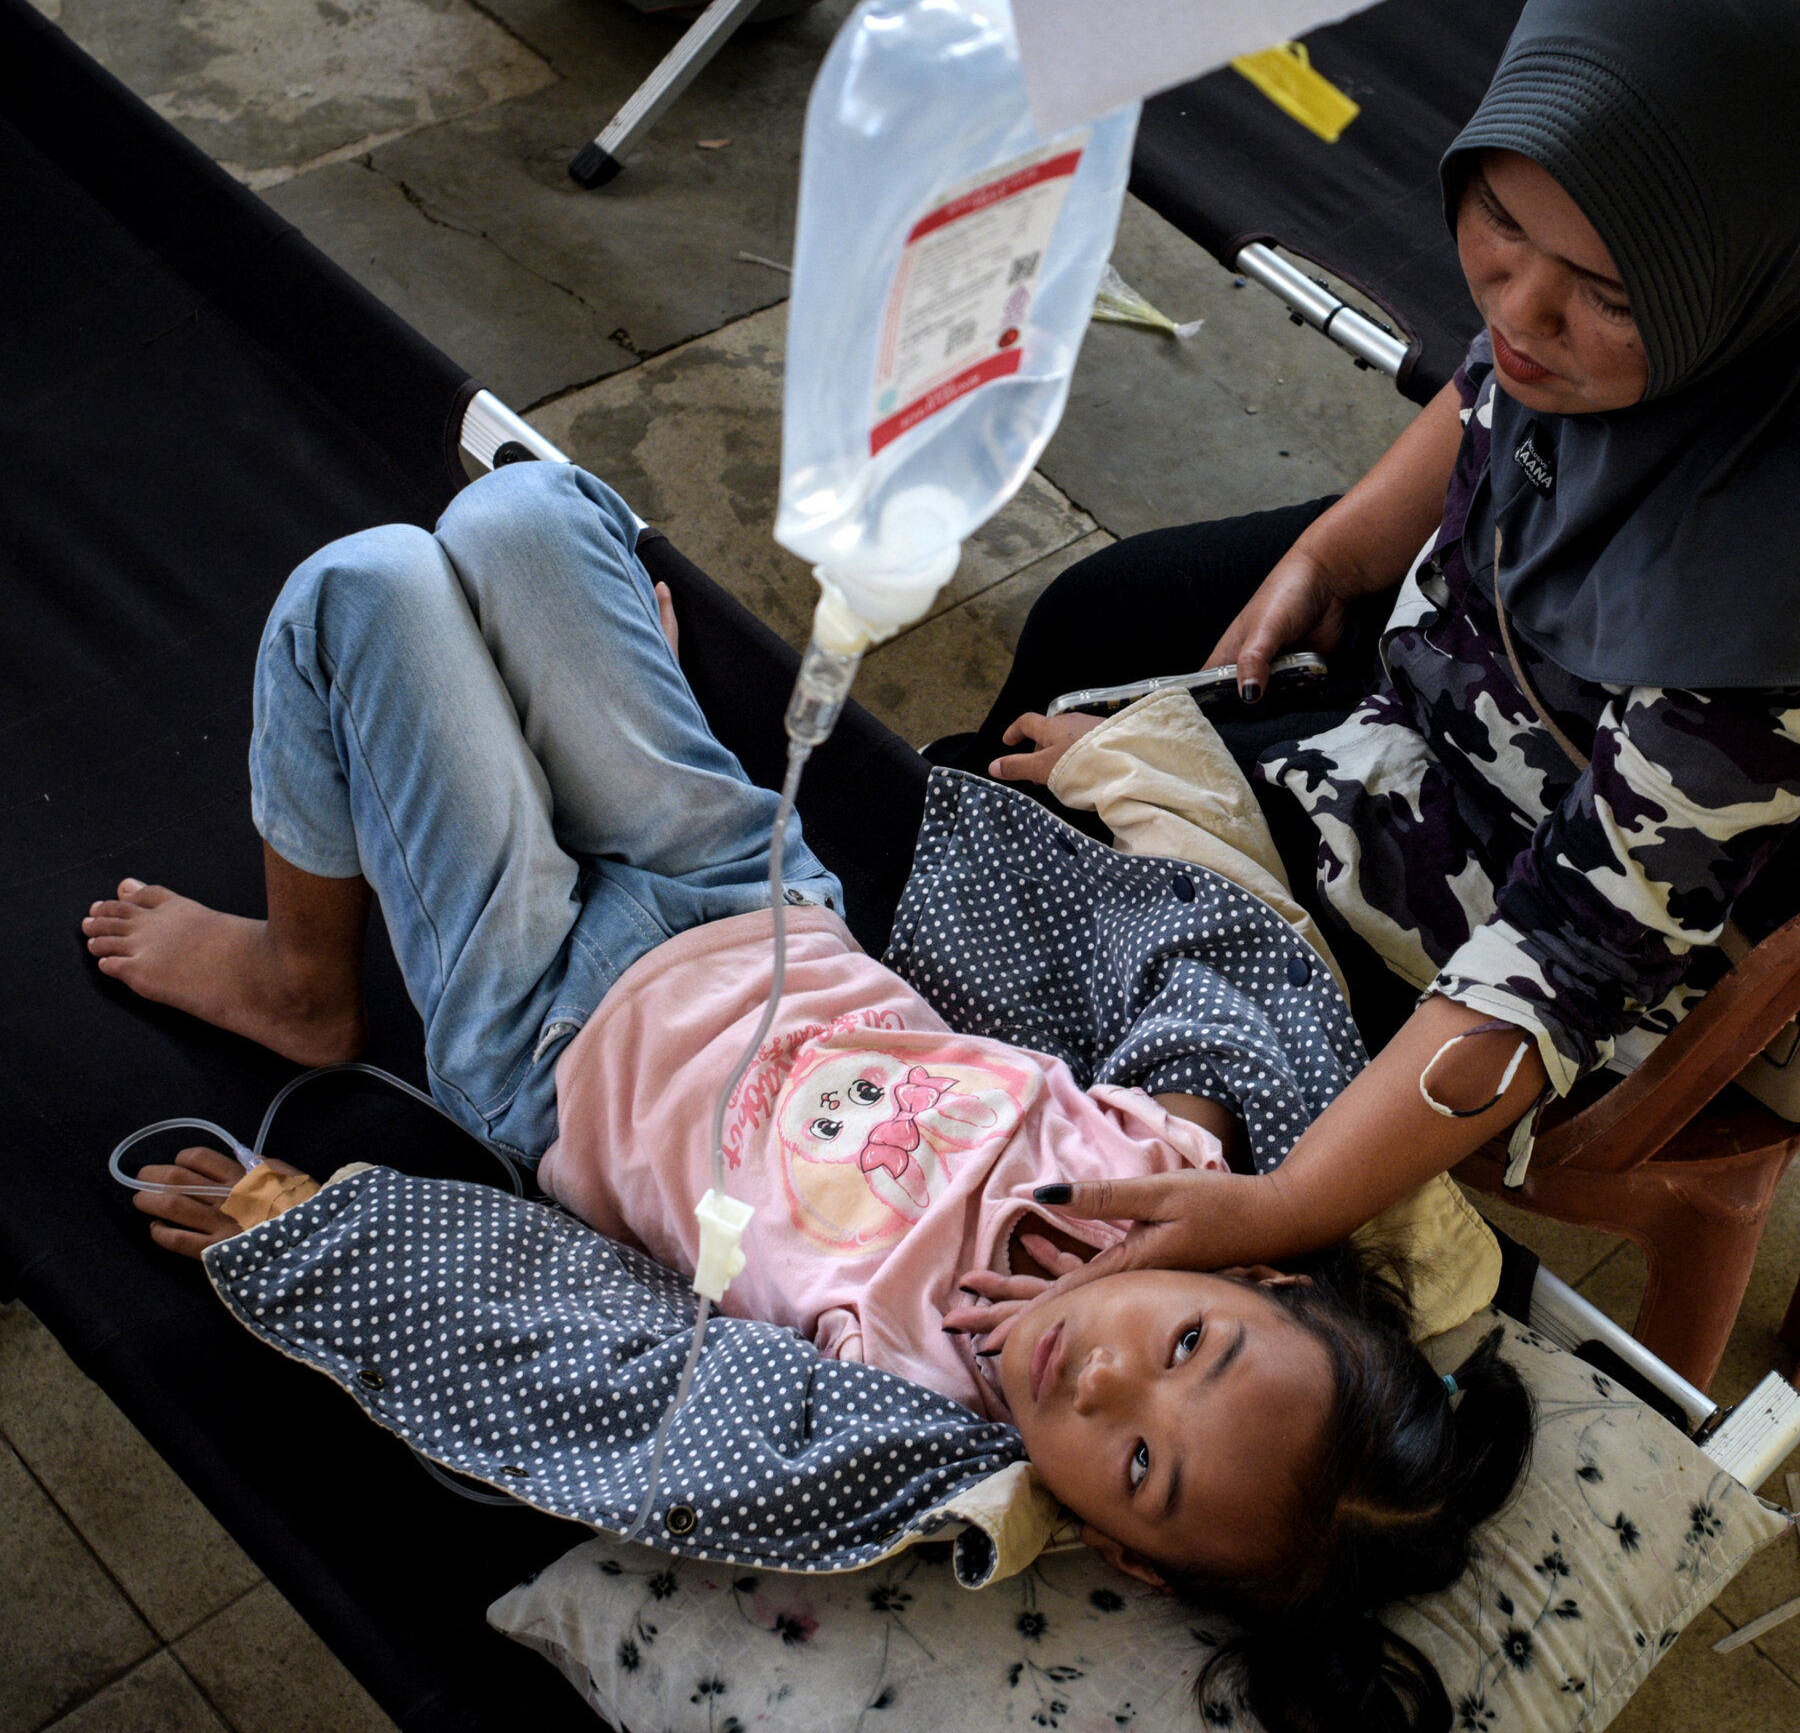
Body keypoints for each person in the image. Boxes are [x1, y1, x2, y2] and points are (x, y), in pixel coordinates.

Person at [85, 456, 1530, 1733]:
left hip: (546, 1030)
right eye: (1193, 1340)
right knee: (527, 513)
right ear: (1261, 1273)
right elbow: (1228, 971)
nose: (1106, 1377)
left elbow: (615, 1380)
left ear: (1123, 1553)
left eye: (1141, 1462)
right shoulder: (1179, 1162)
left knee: (366, 587)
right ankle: (586, 705)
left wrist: (330, 1235)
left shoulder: (912, 1414)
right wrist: (1138, 794)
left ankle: (301, 979)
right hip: (744, 891)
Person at [943, 0, 1800, 1301]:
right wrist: (1336, 556)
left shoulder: (1752, 640)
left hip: (1548, 911)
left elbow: (1563, 962)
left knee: (1086, 882)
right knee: (1100, 628)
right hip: (1446, 687)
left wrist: (1286, 1207)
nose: (1521, 308)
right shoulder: (1630, 324)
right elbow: (1485, 390)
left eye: (1607, 295)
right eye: (1499, 221)